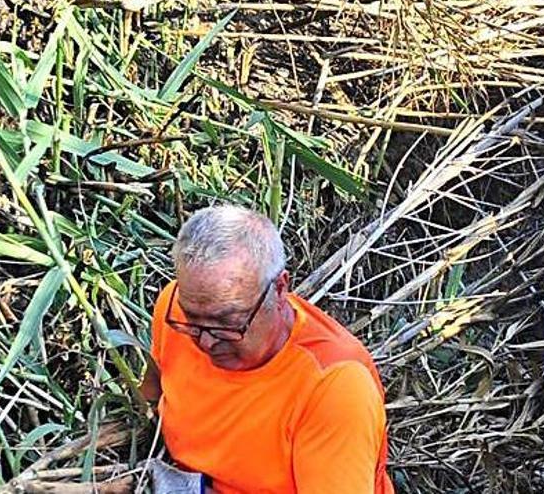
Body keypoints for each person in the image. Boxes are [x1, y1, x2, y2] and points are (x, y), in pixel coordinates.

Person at [140, 205, 395, 493]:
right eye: (193, 322)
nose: (206, 342)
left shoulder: (335, 387)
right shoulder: (175, 312)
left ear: (279, 289)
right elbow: (151, 392)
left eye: (228, 323)